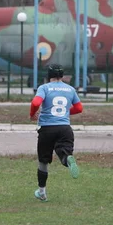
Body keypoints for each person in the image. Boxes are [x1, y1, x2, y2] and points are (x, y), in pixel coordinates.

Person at [29, 64, 83, 202]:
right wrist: (65, 111)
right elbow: (79, 108)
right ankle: (68, 160)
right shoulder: (70, 89)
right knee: (64, 153)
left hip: (47, 128)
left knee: (43, 161)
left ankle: (42, 192)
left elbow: (35, 102)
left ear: (48, 76)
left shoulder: (44, 88)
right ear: (62, 76)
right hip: (65, 128)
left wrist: (32, 114)